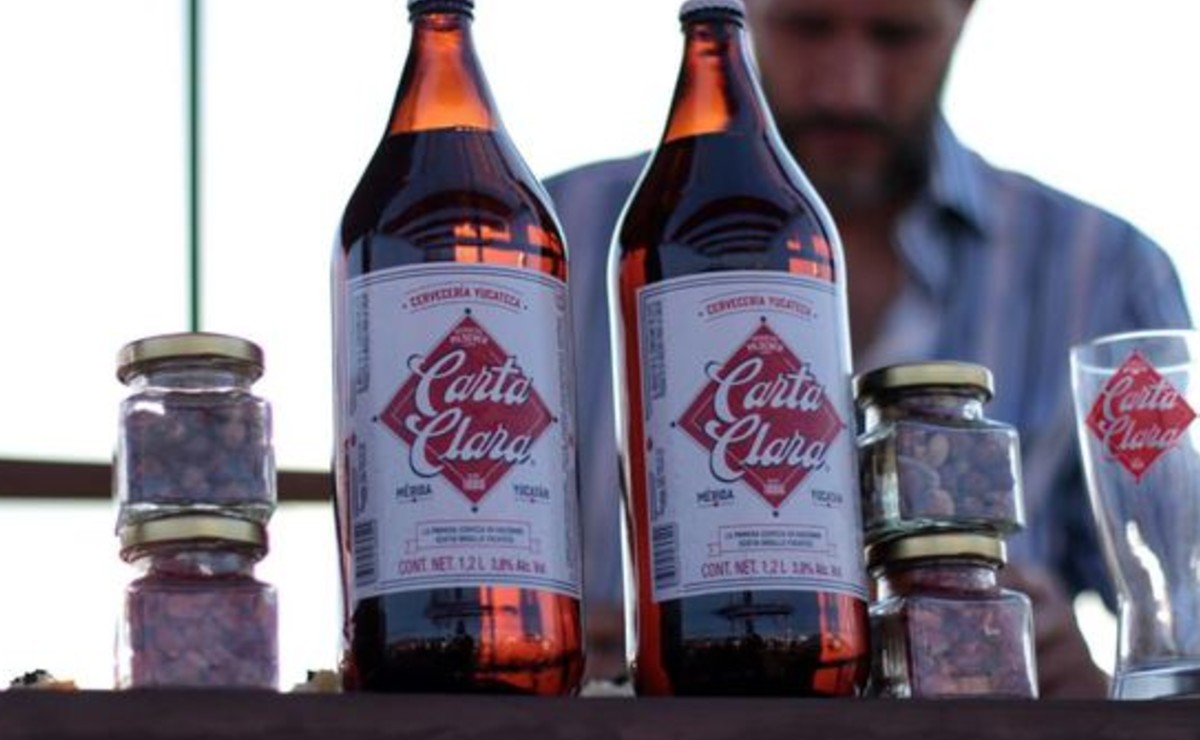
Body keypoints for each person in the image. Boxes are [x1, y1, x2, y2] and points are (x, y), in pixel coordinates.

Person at [546, 0, 1192, 697]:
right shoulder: (559, 234)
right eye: (808, 27)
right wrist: (559, 654)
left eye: (896, 36)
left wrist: (1088, 688)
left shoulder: (1106, 270)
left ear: (965, 14)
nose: (846, 89)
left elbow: (1180, 600)